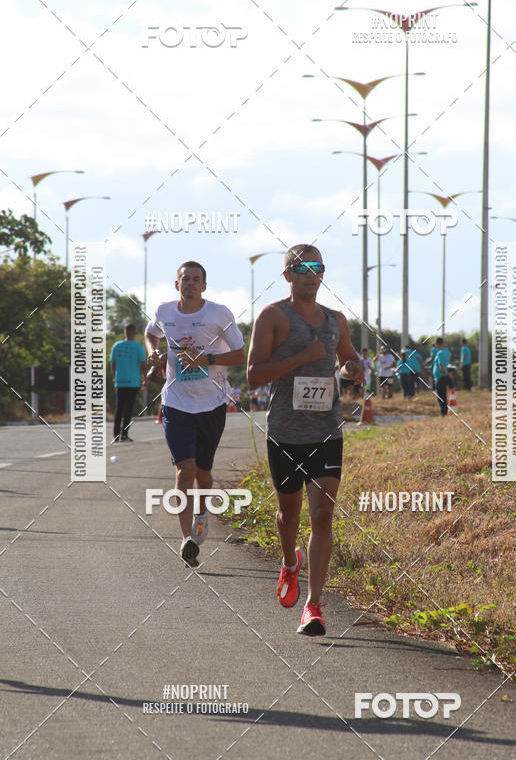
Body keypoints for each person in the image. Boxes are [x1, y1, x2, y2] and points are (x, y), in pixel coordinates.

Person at [247, 244, 363, 636]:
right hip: (284, 431)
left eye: (317, 267)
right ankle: (289, 561)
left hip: (326, 430)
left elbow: (349, 357)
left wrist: (353, 367)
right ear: (287, 275)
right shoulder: (272, 316)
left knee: (323, 515)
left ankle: (313, 606)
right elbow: (253, 375)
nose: (310, 273)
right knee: (289, 516)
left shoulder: (336, 320)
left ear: (323, 274)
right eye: (301, 267)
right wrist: (302, 357)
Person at [145, 261, 245, 567]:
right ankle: (186, 538)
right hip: (176, 403)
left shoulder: (219, 314)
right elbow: (152, 334)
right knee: (184, 469)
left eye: (195, 279)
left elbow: (241, 354)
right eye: (184, 279)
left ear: (204, 285)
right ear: (176, 284)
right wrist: (153, 353)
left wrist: (209, 357)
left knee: (203, 471)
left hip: (212, 404)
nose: (189, 283)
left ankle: (202, 513)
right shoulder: (165, 312)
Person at [110, 324, 147, 442]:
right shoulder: (138, 347)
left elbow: (112, 363)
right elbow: (143, 364)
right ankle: (124, 435)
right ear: (134, 333)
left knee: (119, 409)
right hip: (133, 382)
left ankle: (116, 435)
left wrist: (114, 377)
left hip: (120, 382)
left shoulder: (117, 346)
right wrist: (145, 379)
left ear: (124, 332)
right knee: (128, 410)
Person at [432, 337, 451, 416]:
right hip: (442, 377)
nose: (435, 346)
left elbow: (441, 366)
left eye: (435, 345)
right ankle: (444, 412)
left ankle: (443, 413)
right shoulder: (447, 352)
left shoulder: (440, 353)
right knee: (443, 396)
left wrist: (446, 373)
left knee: (441, 397)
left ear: (438, 344)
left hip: (440, 377)